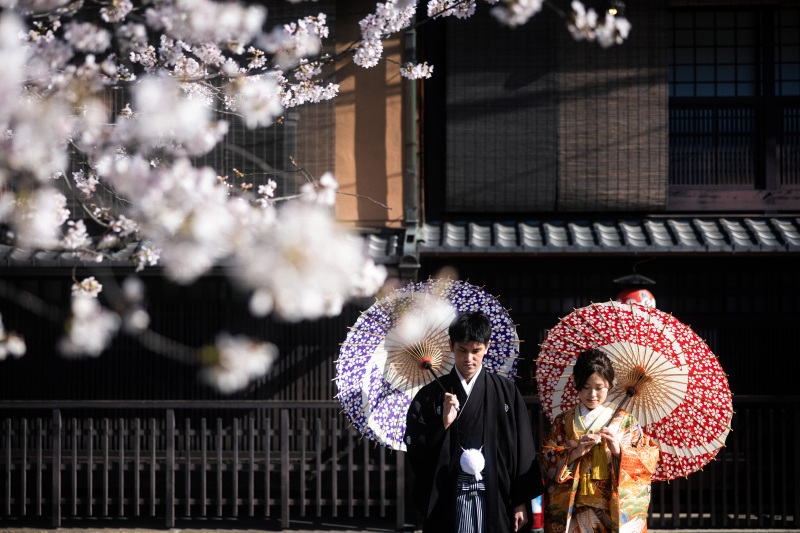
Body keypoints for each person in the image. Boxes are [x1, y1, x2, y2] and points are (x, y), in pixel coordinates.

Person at [404, 311, 544, 533]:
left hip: (497, 493)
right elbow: (416, 448)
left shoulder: (506, 392)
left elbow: (523, 450)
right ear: (451, 346)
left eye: (476, 350)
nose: (469, 358)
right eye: (462, 350)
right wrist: (442, 425)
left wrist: (520, 501)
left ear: (486, 347)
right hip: (448, 495)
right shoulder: (431, 395)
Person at [540, 348, 660, 533]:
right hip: (575, 506)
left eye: (599, 387)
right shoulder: (563, 421)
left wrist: (619, 450)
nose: (592, 394)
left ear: (610, 385)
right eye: (585, 387)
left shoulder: (625, 421)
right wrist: (575, 453)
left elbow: (647, 459)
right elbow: (546, 455)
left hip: (610, 507)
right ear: (576, 383)